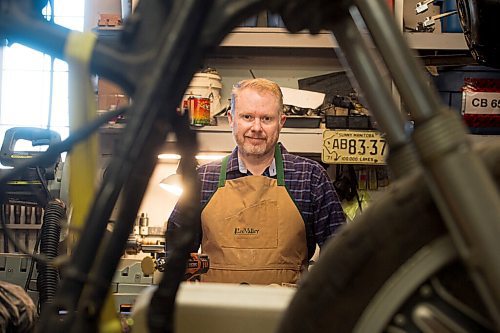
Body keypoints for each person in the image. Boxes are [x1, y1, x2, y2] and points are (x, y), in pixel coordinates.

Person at [167, 78, 346, 285]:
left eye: (267, 118)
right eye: (247, 117)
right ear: (232, 119)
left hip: (285, 314)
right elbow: (175, 249)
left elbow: (340, 253)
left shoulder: (310, 177)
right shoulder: (204, 178)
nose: (256, 127)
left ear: (281, 121)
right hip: (214, 312)